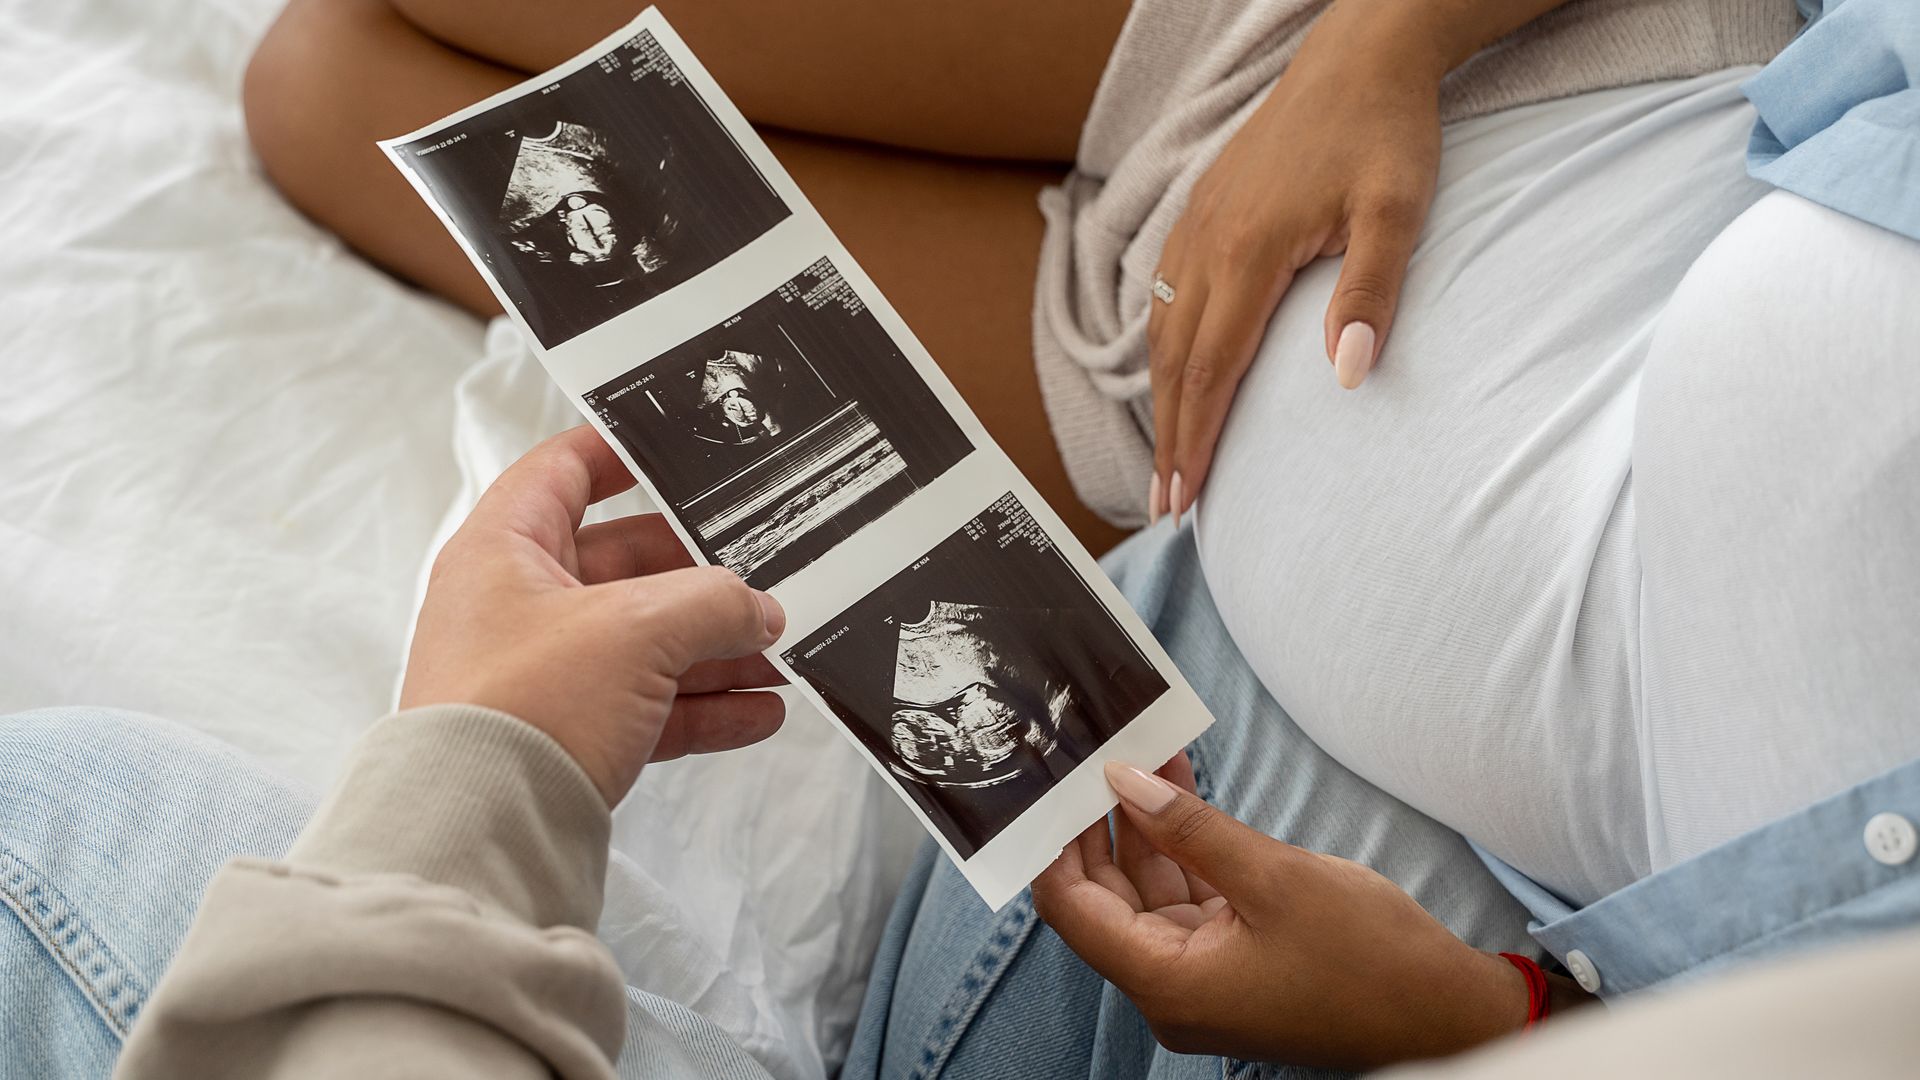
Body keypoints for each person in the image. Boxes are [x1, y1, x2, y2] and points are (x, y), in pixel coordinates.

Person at [35, 0, 1890, 1073]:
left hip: (1141, 407)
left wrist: (1496, 1017)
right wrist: (1385, 37)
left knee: (340, 103)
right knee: (355, 41)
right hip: (1425, 74)